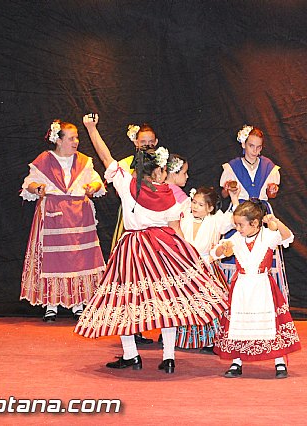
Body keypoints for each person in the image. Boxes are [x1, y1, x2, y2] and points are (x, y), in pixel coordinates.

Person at [76, 114, 228, 374]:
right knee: (168, 300)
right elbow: (176, 228)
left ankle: (131, 355)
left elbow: (105, 156)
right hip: (163, 248)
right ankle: (168, 357)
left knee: (126, 301)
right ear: (157, 171)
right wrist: (189, 257)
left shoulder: (127, 184)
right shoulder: (169, 194)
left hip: (134, 248)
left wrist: (91, 128)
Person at [20, 119, 106, 321]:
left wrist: (93, 186)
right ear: (58, 140)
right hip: (54, 217)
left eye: (76, 138)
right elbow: (29, 183)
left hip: (79, 218)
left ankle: (78, 302)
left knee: (78, 259)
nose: (76, 141)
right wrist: (36, 188)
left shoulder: (84, 161)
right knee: (54, 259)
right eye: (71, 138)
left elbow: (96, 180)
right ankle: (52, 303)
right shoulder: (45, 160)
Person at [212, 200, 300, 379]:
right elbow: (216, 253)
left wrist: (276, 221)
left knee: (270, 324)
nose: (237, 228)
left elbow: (288, 236)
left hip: (263, 286)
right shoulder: (236, 239)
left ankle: (279, 361)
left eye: (240, 225)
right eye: (235, 224)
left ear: (255, 223)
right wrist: (223, 249)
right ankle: (236, 362)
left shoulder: (268, 236)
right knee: (238, 324)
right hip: (242, 288)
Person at [219, 125, 289, 300]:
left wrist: (272, 190)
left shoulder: (269, 166)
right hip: (240, 211)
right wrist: (228, 189)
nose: (254, 150)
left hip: (261, 211)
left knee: (263, 251)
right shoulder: (232, 166)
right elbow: (224, 193)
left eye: (258, 147)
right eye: (251, 146)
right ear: (244, 144)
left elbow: (271, 194)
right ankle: (233, 297)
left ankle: (265, 298)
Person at [175, 185, 238, 352]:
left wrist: (233, 197)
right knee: (184, 303)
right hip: (184, 267)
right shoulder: (184, 217)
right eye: (194, 202)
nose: (195, 206)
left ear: (210, 208)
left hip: (207, 267)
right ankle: (181, 338)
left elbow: (236, 218)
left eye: (200, 204)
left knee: (210, 304)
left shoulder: (217, 220)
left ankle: (211, 341)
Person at [112, 123, 159, 345]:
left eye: (151, 141)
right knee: (130, 279)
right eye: (143, 142)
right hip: (133, 225)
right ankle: (133, 330)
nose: (148, 145)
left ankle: (162, 331)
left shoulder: (164, 163)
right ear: (135, 143)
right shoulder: (124, 165)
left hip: (157, 226)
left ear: (156, 142)